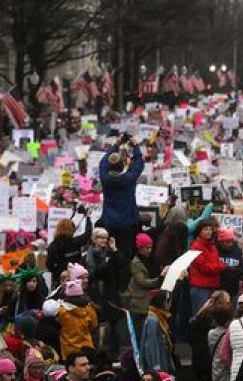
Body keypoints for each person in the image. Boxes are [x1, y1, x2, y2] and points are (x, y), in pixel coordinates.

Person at [99, 132, 145, 260]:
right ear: (123, 166)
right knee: (126, 254)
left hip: (110, 221)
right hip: (128, 223)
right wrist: (135, 146)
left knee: (110, 253)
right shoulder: (128, 178)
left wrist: (117, 144)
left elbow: (103, 163)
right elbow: (138, 165)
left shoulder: (105, 178)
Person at [124, 233, 166, 337]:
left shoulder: (153, 260)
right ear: (140, 248)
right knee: (141, 333)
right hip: (140, 302)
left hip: (153, 301)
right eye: (146, 248)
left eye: (151, 247)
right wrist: (160, 278)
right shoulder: (136, 263)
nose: (149, 250)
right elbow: (143, 282)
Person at [188, 218, 226, 313]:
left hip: (212, 286)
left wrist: (218, 266)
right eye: (205, 229)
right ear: (199, 231)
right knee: (200, 315)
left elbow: (217, 262)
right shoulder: (195, 247)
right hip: (200, 287)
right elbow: (205, 267)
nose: (209, 231)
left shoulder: (212, 246)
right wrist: (221, 267)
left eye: (210, 229)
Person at [57, 279, 98, 358]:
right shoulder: (89, 309)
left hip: (68, 351)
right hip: (87, 349)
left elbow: (57, 327)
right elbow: (94, 326)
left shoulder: (61, 311)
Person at [47, 215, 93, 282]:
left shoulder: (53, 245)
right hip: (76, 277)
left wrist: (58, 273)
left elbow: (49, 264)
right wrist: (88, 217)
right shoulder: (76, 242)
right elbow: (88, 233)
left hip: (60, 278)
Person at [141, 291, 176, 375]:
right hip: (158, 365)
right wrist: (156, 370)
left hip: (163, 358)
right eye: (168, 301)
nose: (170, 304)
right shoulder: (153, 321)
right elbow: (152, 346)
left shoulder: (160, 317)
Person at [216, 228, 243, 304]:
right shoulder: (215, 251)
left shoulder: (237, 251)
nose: (230, 244)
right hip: (218, 289)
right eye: (227, 242)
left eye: (231, 241)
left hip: (233, 289)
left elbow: (241, 267)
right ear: (221, 242)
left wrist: (240, 272)